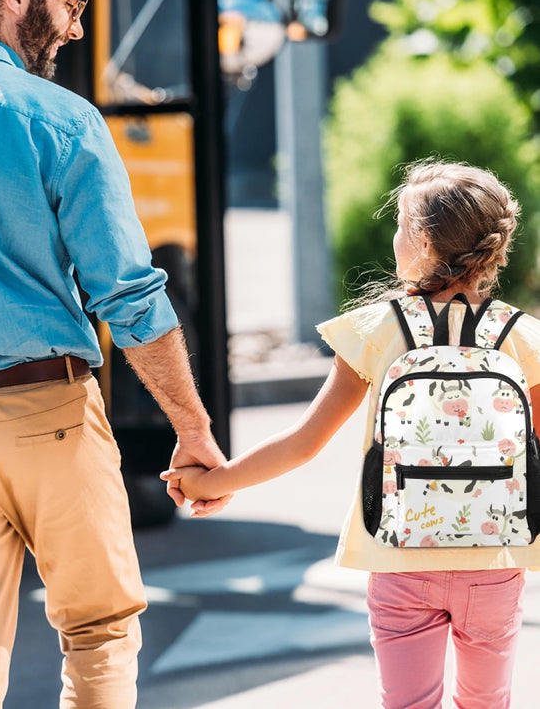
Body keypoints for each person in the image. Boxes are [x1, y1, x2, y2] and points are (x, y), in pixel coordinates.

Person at [0, 0, 228, 708]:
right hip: (46, 414)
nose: (77, 27)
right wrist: (191, 429)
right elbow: (128, 293)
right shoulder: (61, 118)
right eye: (71, 3)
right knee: (99, 632)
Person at [163, 159, 540, 708]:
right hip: (495, 562)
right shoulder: (522, 337)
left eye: (401, 225)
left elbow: (303, 441)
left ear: (423, 241)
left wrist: (210, 482)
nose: (394, 237)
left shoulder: (377, 329)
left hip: (397, 556)